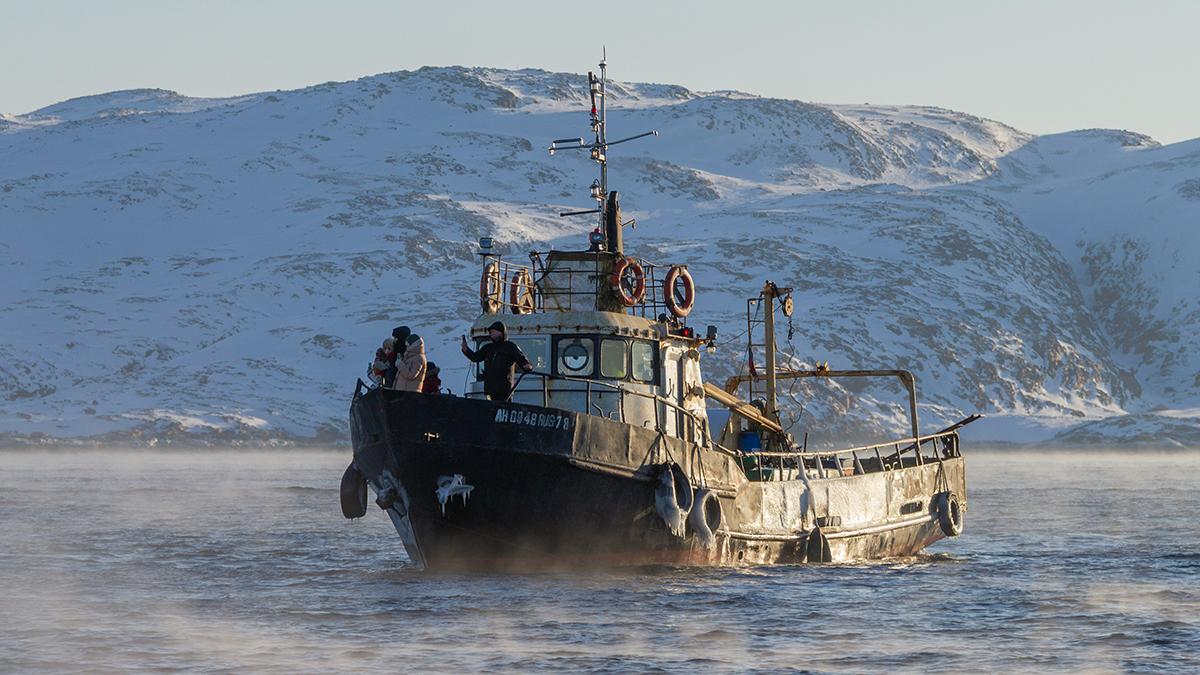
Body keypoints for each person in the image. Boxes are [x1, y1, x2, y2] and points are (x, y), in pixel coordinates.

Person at [461, 320, 533, 400]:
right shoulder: (488, 348)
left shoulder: (510, 347)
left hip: (504, 389)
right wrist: (466, 350)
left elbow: (520, 357)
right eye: (490, 332)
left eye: (493, 331)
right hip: (490, 388)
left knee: (504, 405)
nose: (491, 333)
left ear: (500, 332)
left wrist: (526, 365)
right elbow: (476, 357)